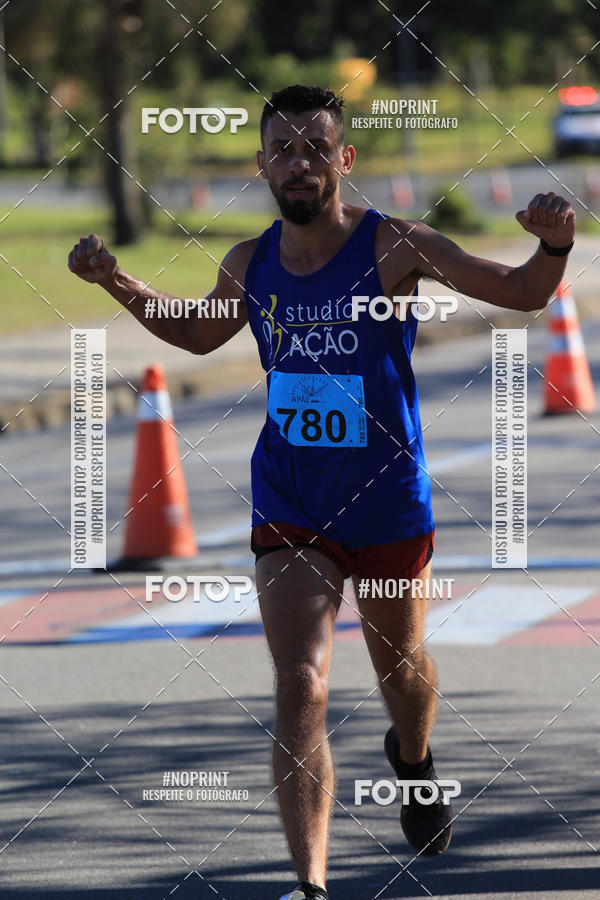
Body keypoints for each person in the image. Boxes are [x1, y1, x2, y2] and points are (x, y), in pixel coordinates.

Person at [68, 84, 576, 900]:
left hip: (385, 504)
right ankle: (310, 884)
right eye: (282, 149)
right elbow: (199, 330)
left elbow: (517, 292)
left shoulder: (396, 246)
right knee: (300, 679)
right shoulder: (251, 262)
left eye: (314, 148)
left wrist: (553, 248)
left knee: (401, 670)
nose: (298, 162)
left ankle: (412, 762)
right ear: (262, 165)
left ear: (343, 160)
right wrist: (116, 282)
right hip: (292, 504)